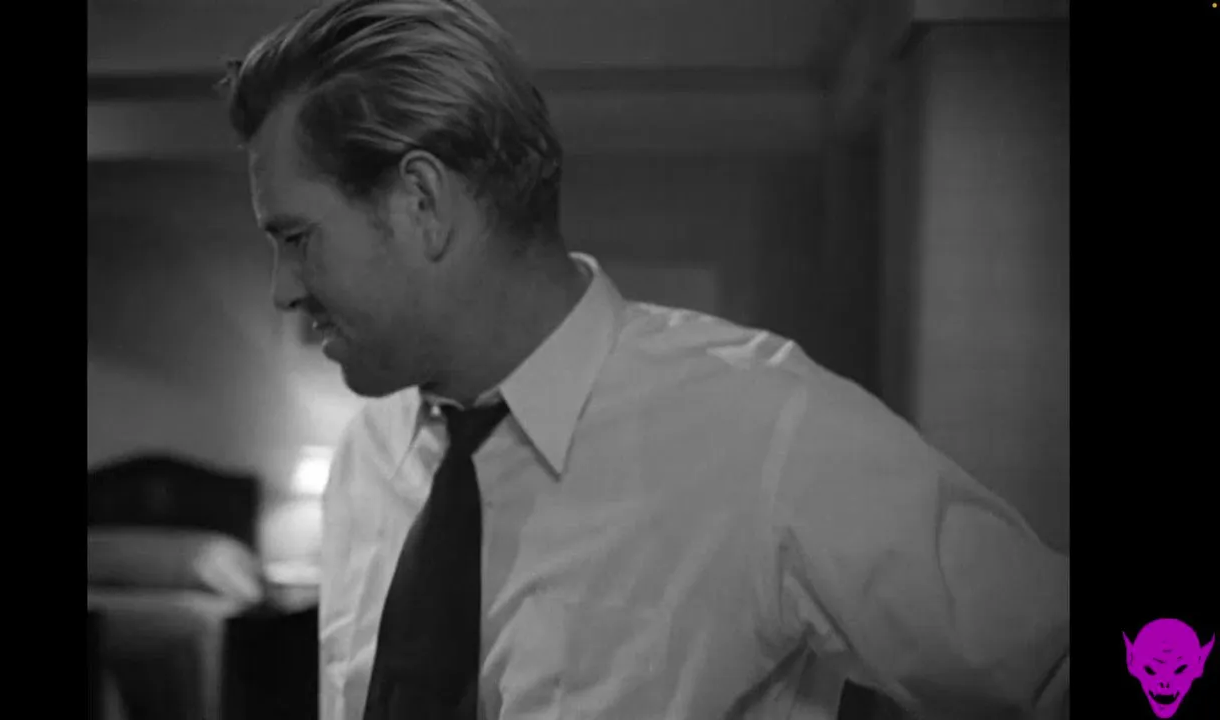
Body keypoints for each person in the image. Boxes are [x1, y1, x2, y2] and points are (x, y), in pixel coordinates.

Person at [221, 0, 1071, 718]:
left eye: (295, 237)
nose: (282, 291)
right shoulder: (367, 458)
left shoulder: (763, 428)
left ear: (421, 202)